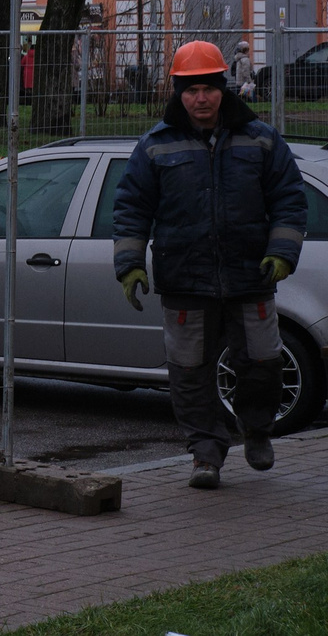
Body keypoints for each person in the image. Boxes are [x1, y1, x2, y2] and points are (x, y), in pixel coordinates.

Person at [111, 40, 306, 489]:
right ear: (178, 93)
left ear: (225, 89)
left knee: (263, 362)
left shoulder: (261, 140)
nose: (201, 98)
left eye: (209, 89)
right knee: (189, 373)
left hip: (250, 277)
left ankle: (257, 430)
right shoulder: (155, 146)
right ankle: (205, 455)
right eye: (191, 90)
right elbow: (131, 207)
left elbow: (290, 201)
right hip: (185, 279)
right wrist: (129, 264)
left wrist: (281, 253)